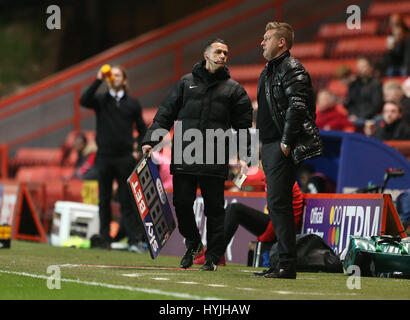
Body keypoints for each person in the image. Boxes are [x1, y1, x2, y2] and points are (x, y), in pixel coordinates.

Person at [141, 39, 253, 271]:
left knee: (214, 210)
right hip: (186, 155)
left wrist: (245, 156)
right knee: (182, 204)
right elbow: (165, 114)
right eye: (218, 51)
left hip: (215, 156)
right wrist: (150, 140)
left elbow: (243, 126)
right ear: (206, 54)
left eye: (226, 52)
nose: (223, 55)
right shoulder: (185, 83)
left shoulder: (234, 89)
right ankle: (193, 244)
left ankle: (212, 256)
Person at [256, 22, 322, 279]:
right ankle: (281, 263)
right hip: (271, 145)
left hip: (281, 145)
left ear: (281, 42)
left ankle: (286, 265)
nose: (262, 42)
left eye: (267, 37)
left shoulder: (291, 67)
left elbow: (298, 106)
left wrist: (286, 142)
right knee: (277, 204)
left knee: (278, 204)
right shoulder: (269, 70)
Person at [79, 64, 148, 252]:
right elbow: (83, 100)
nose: (114, 77)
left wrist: (137, 150)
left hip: (125, 157)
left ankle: (134, 241)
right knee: (104, 199)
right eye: (112, 75)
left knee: (127, 200)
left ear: (124, 80)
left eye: (118, 75)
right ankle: (105, 239)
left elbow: (143, 129)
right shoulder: (101, 100)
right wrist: (98, 79)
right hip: (103, 157)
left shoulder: (133, 103)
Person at [345, 57, 384, 130]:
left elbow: (377, 105)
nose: (361, 69)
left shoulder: (376, 83)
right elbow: (350, 103)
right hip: (355, 117)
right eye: (359, 67)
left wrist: (361, 117)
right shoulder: (354, 84)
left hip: (370, 117)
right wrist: (352, 114)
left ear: (370, 68)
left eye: (364, 66)